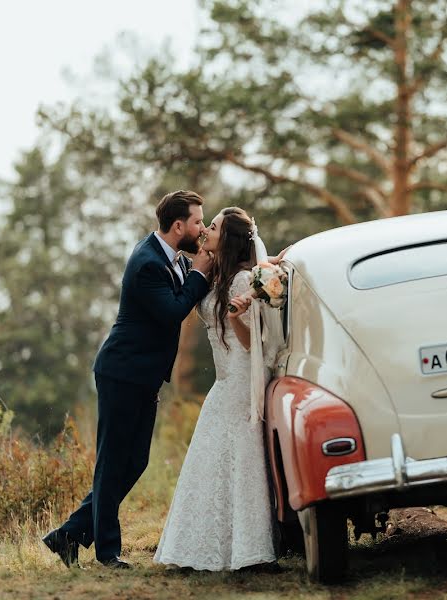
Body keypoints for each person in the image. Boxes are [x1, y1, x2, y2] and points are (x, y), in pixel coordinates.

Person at [42, 190, 213, 569]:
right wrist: (200, 273)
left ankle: (67, 535)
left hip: (143, 377)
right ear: (179, 225)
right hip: (122, 373)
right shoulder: (147, 263)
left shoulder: (173, 257)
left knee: (134, 462)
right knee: (113, 462)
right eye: (198, 221)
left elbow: (187, 290)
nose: (202, 229)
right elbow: (172, 312)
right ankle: (107, 552)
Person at [153, 206, 286, 572]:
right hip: (224, 380)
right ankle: (201, 544)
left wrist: (234, 317)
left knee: (241, 460)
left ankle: (250, 550)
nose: (205, 231)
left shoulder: (243, 282)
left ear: (225, 239)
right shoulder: (218, 275)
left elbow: (250, 344)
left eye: (212, 227)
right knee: (210, 455)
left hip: (242, 378)